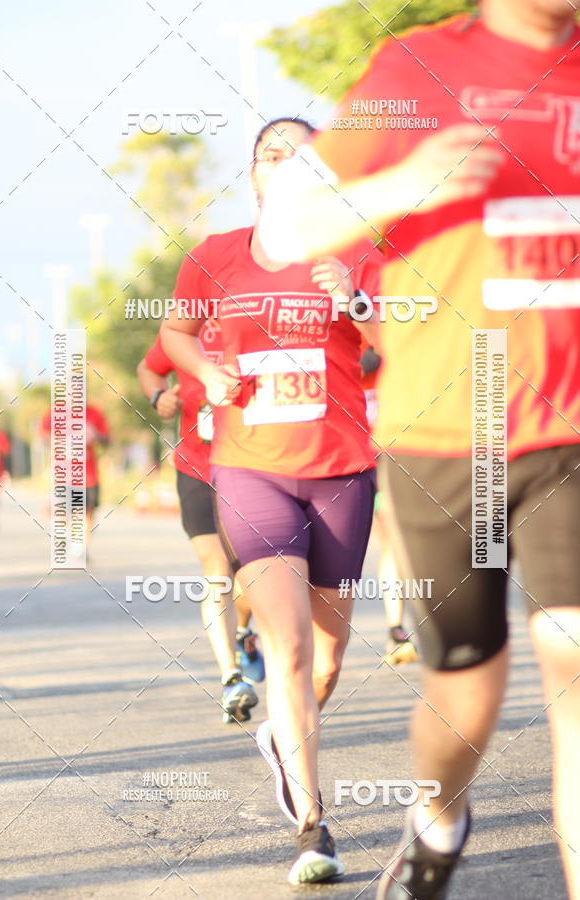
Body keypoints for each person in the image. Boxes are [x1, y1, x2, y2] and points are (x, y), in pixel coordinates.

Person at [258, 3, 580, 897]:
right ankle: (439, 816)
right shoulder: (414, 69)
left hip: (572, 429)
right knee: (465, 692)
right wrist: (405, 186)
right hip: (449, 431)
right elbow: (287, 228)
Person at [160, 116, 382, 884]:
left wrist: (355, 300)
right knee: (284, 651)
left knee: (325, 659)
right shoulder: (216, 255)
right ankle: (313, 827)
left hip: (343, 470)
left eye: (300, 155)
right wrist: (207, 375)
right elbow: (175, 332)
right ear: (253, 173)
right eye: (269, 154)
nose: (283, 164)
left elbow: (402, 337)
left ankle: (284, 735)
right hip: (251, 471)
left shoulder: (354, 248)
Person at [136, 324, 265, 725]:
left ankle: (243, 631)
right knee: (217, 569)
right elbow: (148, 367)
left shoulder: (261, 313)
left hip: (254, 466)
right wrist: (160, 397)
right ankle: (232, 678)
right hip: (196, 468)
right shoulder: (186, 327)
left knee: (252, 575)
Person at [361, 346, 418, 665]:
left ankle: (396, 629)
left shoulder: (392, 321)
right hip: (337, 457)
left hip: (385, 455)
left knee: (393, 540)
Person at [40, 403, 110, 557]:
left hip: (88, 474)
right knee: (63, 510)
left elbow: (107, 439)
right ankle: (62, 537)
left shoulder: (94, 413)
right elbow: (43, 435)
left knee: (87, 511)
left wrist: (95, 434)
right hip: (63, 474)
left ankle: (82, 547)